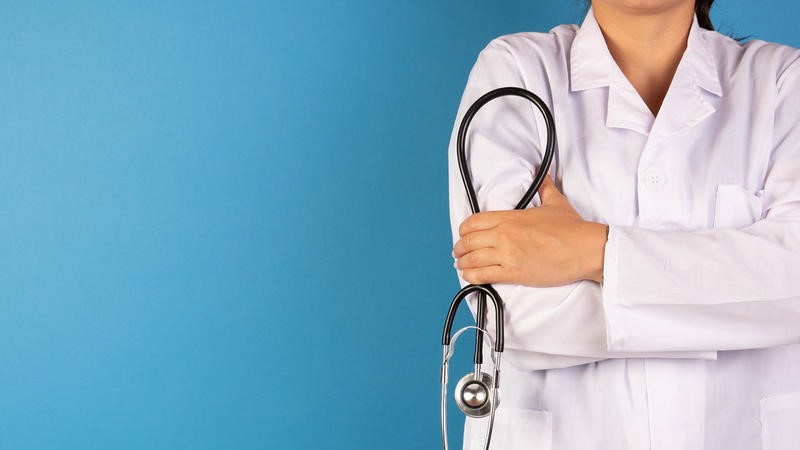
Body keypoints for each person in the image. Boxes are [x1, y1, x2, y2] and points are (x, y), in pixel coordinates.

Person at [447, 0, 800, 448]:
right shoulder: (515, 73)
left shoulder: (785, 83)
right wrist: (741, 299)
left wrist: (592, 251)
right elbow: (514, 315)